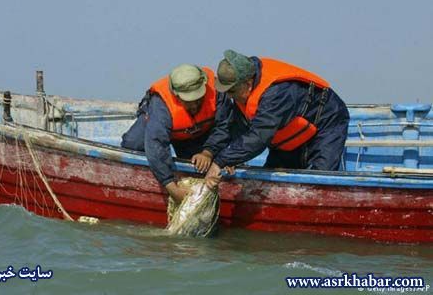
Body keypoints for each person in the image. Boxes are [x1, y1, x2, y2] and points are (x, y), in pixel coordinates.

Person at [205, 49, 350, 187]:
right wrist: (232, 158)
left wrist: (220, 161)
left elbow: (258, 137)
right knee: (271, 179)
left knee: (318, 180)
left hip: (326, 121)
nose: (229, 96)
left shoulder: (275, 94)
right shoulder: (242, 92)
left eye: (231, 91)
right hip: (289, 131)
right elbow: (239, 128)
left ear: (248, 84)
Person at [121, 64, 232, 202]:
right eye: (188, 101)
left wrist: (208, 152)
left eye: (198, 99)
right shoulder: (161, 105)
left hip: (198, 132)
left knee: (201, 164)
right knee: (132, 144)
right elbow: (157, 144)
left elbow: (224, 127)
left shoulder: (217, 92)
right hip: (162, 127)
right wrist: (171, 187)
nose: (194, 105)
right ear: (176, 95)